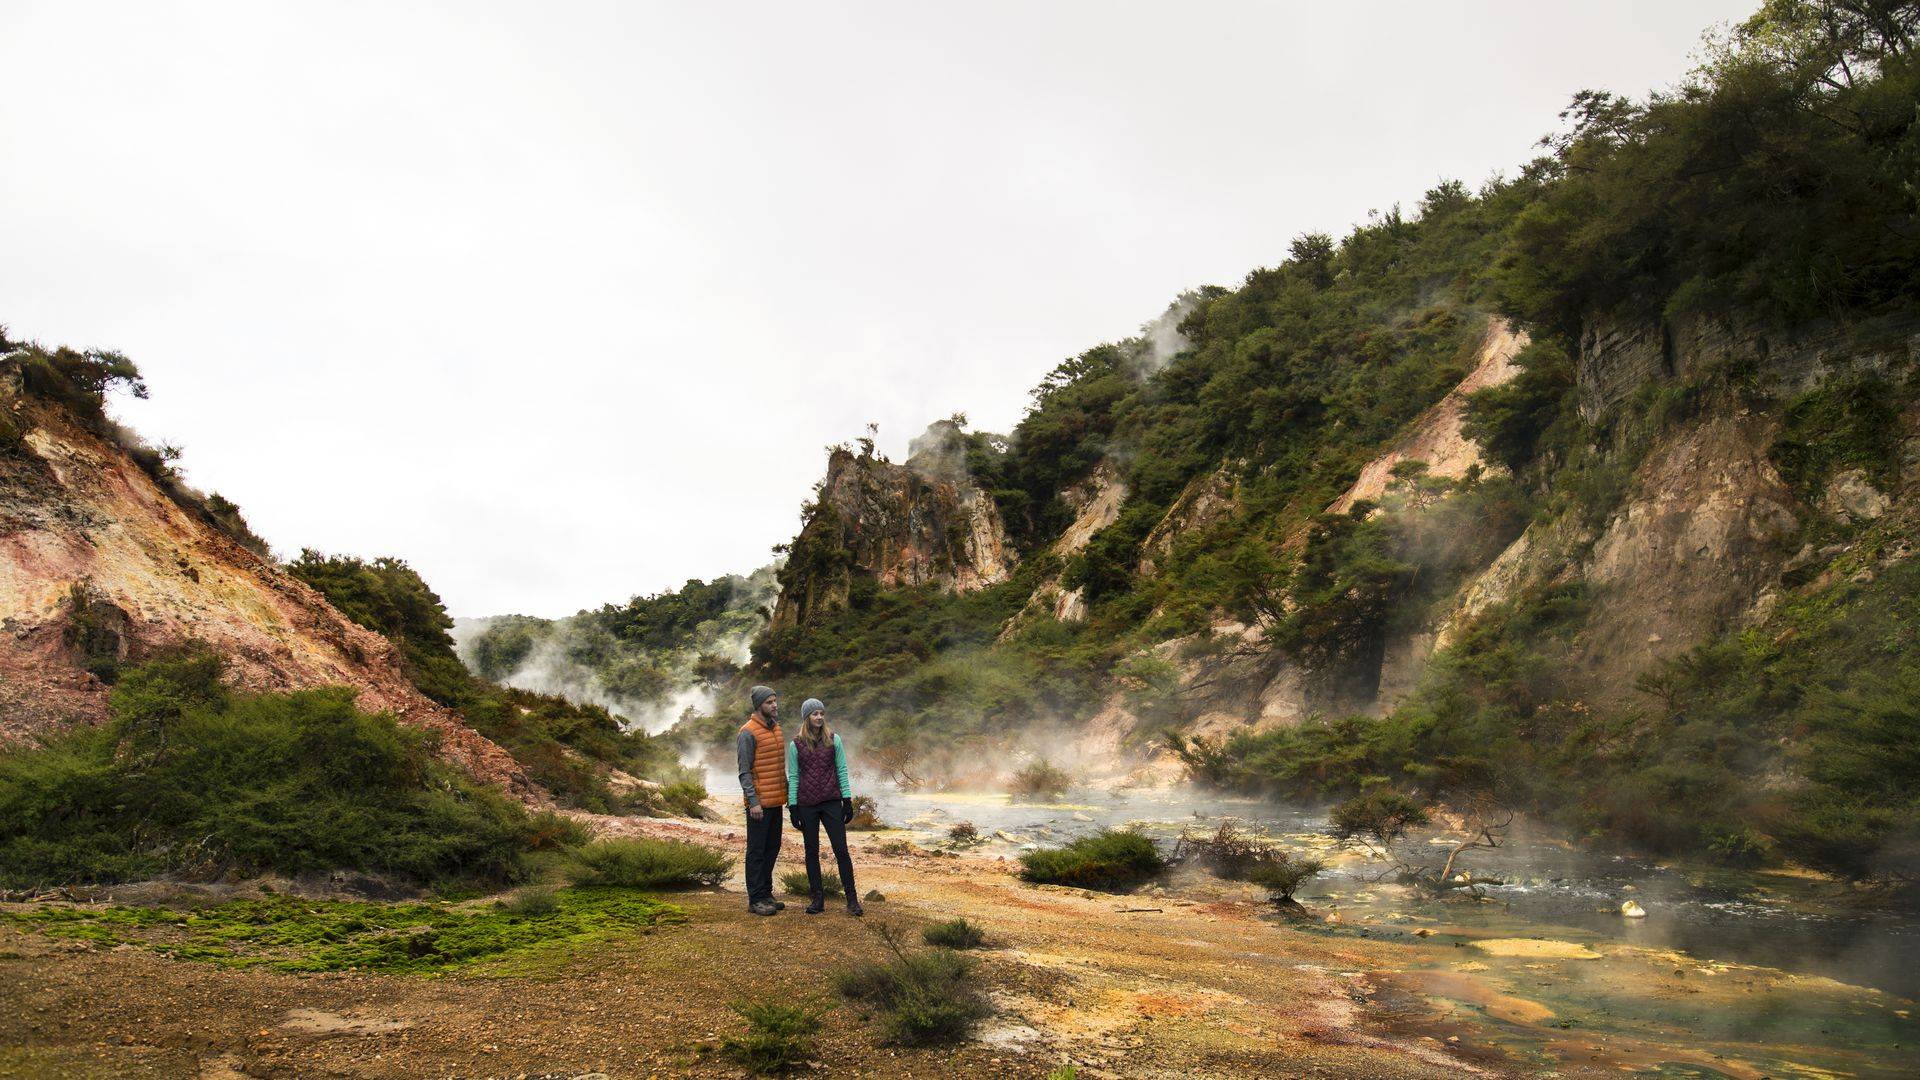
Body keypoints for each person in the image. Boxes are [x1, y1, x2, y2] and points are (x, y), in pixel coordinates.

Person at [785, 698, 862, 916]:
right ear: (806, 717)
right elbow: (794, 776)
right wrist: (793, 807)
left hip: (831, 802)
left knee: (841, 850)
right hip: (807, 805)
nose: (819, 717)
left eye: (821, 713)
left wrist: (847, 800)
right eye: (814, 714)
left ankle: (852, 899)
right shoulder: (796, 744)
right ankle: (817, 899)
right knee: (811, 851)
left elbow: (842, 770)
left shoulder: (833, 739)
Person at [736, 685, 787, 916]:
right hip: (759, 805)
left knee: (772, 848)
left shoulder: (776, 729)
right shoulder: (747, 732)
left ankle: (766, 893)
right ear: (758, 705)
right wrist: (753, 801)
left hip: (776, 801)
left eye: (775, 701)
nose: (774, 705)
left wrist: (787, 794)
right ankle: (755, 899)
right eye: (769, 702)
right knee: (756, 851)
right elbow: (744, 771)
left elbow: (779, 766)